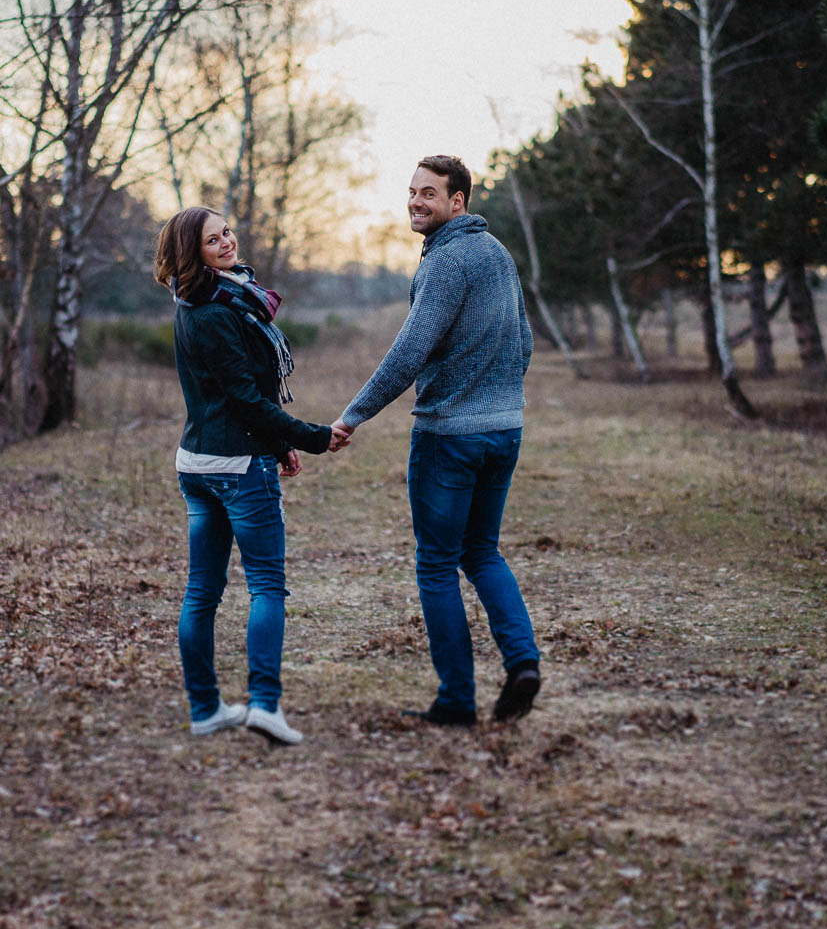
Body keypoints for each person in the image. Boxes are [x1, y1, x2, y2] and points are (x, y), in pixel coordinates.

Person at [328, 155, 542, 726]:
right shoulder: (497, 253)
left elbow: (409, 352)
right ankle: (523, 662)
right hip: (504, 431)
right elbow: (523, 341)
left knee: (438, 565)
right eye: (412, 191)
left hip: (449, 438)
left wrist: (354, 415)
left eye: (429, 193)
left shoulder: (447, 260)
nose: (416, 202)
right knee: (482, 551)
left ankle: (455, 702)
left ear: (458, 201)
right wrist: (497, 395)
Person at [154, 206, 333, 746]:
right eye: (213, 240)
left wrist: (280, 445)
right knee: (267, 586)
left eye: (227, 231)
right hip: (237, 465)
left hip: (197, 462)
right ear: (193, 253)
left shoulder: (200, 301)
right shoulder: (218, 310)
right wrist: (312, 436)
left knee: (202, 592)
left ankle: (206, 710)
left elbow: (239, 397)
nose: (227, 242)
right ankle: (264, 705)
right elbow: (247, 399)